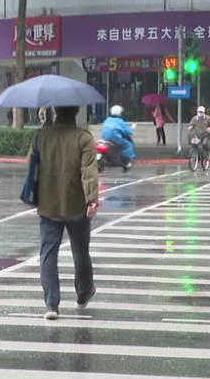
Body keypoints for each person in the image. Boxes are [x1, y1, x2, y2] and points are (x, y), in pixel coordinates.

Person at [33, 106, 99, 320]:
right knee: (80, 250)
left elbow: (33, 166)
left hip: (48, 203)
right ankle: (84, 291)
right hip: (76, 204)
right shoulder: (84, 138)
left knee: (48, 254)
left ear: (55, 110)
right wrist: (92, 199)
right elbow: (88, 170)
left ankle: (51, 304)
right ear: (77, 110)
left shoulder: (42, 136)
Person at [101, 105, 135, 169]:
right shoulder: (119, 121)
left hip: (105, 138)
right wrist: (132, 128)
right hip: (115, 138)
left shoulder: (107, 119)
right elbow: (126, 131)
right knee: (128, 145)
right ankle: (126, 161)